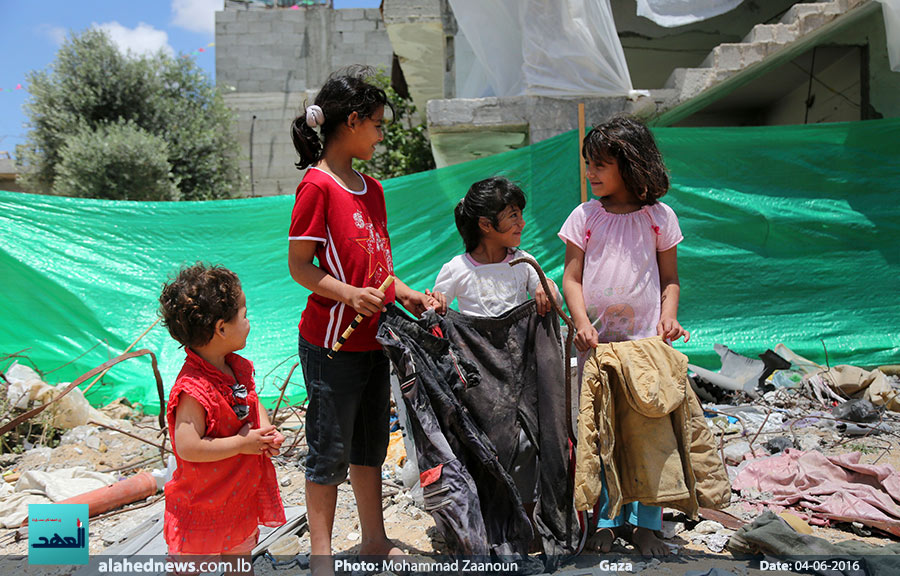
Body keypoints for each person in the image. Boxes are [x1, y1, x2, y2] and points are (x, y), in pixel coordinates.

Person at [287, 67, 445, 574]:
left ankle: (374, 540)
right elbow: (300, 266)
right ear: (351, 122)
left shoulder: (371, 190)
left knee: (369, 445)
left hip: (376, 340)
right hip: (331, 345)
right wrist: (348, 295)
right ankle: (321, 556)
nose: (380, 134)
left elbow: (381, 273)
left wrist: (411, 296)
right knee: (328, 451)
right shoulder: (316, 186)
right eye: (376, 124)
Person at [559, 116, 689, 557]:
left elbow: (670, 279)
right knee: (601, 433)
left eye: (600, 164)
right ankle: (607, 522)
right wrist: (581, 322)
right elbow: (571, 278)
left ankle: (647, 524)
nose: (590, 173)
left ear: (630, 164)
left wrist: (668, 318)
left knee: (649, 434)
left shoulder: (659, 218)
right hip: (598, 349)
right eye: (588, 164)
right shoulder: (585, 217)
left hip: (646, 348)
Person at [159, 263, 286, 561]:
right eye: (244, 314)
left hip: (237, 495)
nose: (249, 321)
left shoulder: (235, 368)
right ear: (221, 328)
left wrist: (264, 432)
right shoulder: (194, 389)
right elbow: (189, 447)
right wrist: (243, 444)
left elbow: (252, 402)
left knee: (239, 559)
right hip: (203, 502)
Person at [433, 176, 557, 317]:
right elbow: (435, 311)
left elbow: (553, 303)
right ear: (486, 224)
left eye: (521, 215)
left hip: (523, 339)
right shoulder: (456, 268)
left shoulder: (525, 262)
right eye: (513, 215)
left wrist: (548, 286)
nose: (522, 223)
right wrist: (436, 301)